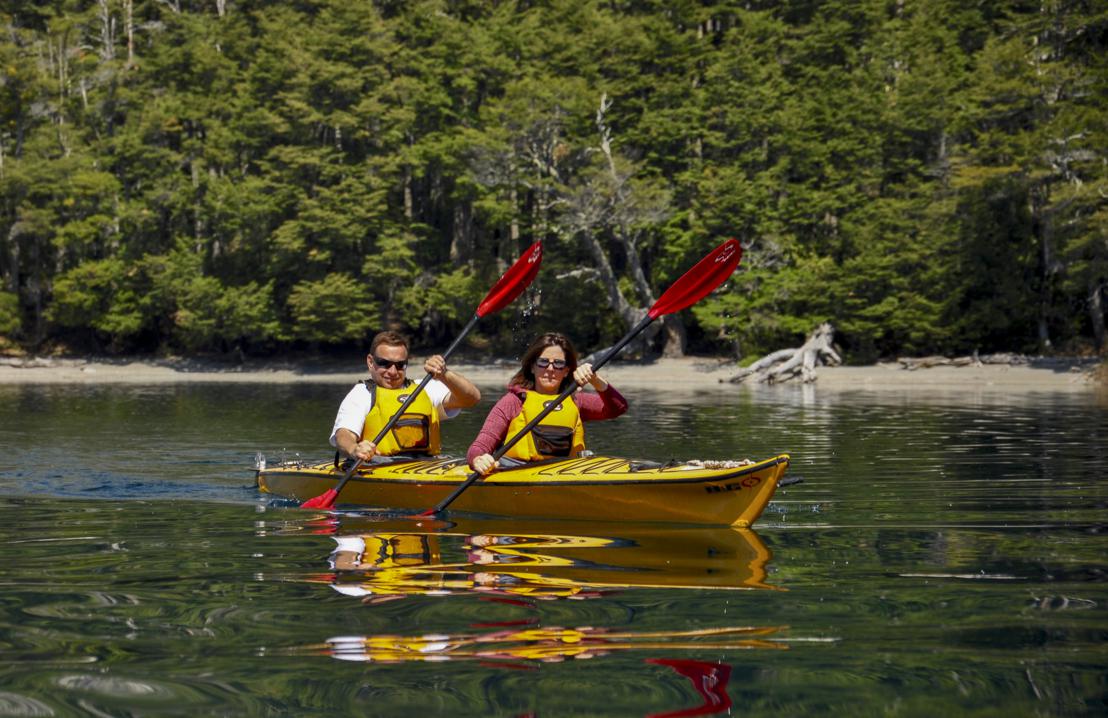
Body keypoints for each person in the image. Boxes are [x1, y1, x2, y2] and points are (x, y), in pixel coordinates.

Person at [467, 332, 627, 475]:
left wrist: (595, 380)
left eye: (558, 364)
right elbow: (479, 446)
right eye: (543, 362)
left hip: (566, 472)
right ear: (532, 367)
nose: (550, 369)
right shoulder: (513, 401)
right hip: (517, 470)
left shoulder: (576, 400)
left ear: (566, 371)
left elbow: (618, 408)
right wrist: (478, 460)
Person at [331, 331, 481, 463]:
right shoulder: (362, 393)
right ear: (370, 362)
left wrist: (444, 374)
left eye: (400, 365)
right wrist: (354, 449)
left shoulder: (425, 388)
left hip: (427, 465)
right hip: (379, 465)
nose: (392, 371)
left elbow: (471, 398)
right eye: (384, 363)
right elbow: (343, 435)